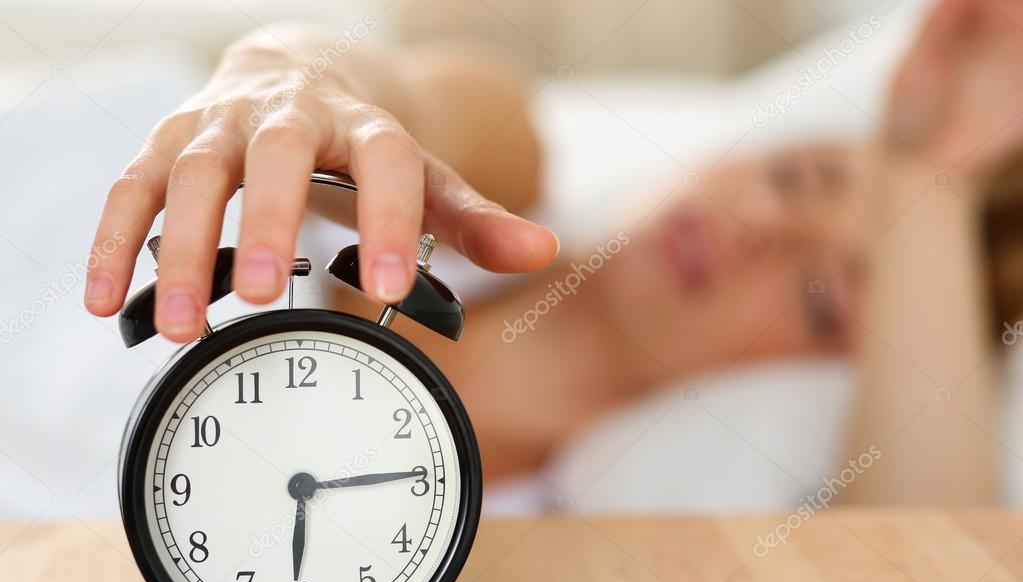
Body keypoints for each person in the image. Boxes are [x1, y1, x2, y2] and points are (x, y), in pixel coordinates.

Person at [85, 0, 1023, 504]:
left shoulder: (549, 537)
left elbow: (926, 560)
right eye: (795, 179)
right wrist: (285, 77)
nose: (761, 233)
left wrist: (926, 181)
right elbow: (386, 88)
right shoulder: (498, 170)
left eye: (821, 295)